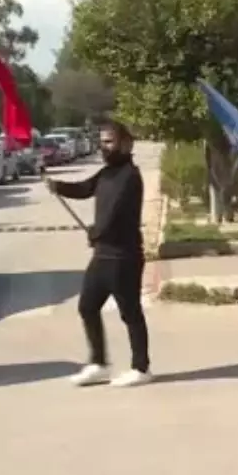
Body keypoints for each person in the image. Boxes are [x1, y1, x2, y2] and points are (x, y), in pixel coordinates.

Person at [46, 121, 151, 387]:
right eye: (102, 141)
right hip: (102, 257)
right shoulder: (106, 174)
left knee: (130, 313)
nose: (104, 146)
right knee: (87, 307)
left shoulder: (130, 176)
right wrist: (57, 185)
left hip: (124, 257)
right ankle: (99, 364)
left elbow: (114, 213)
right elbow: (83, 188)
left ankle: (141, 368)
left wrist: (97, 232)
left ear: (126, 144)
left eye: (110, 141)